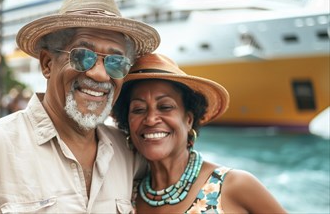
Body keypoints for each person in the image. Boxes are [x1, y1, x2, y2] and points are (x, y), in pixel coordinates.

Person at [0, 0, 159, 213]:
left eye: (116, 62)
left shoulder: (127, 152)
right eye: (82, 56)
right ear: (47, 64)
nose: (100, 74)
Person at [112, 53, 287, 213]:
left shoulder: (234, 185)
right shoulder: (127, 196)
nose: (150, 119)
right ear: (127, 122)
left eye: (165, 107)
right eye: (139, 109)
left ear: (188, 119)